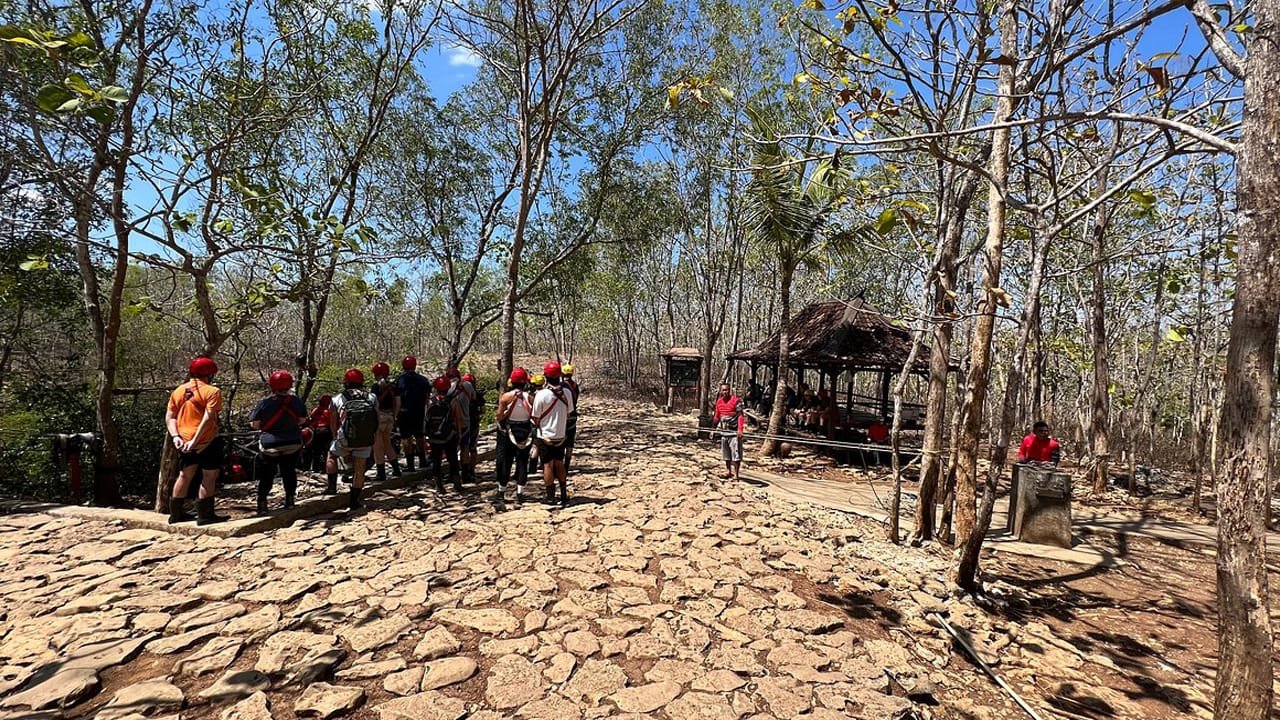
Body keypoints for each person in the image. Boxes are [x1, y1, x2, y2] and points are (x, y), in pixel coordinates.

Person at [165, 356, 229, 525]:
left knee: (185, 474)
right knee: (210, 475)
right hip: (206, 440)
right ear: (210, 374)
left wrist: (176, 437)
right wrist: (195, 441)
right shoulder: (212, 391)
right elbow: (208, 418)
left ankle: (176, 514)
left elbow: (170, 417)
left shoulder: (178, 391)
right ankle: (205, 515)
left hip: (183, 440)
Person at [249, 370, 307, 515]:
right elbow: (302, 420)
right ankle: (290, 500)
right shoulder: (296, 401)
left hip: (270, 444)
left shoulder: (264, 403)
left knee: (267, 474)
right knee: (289, 471)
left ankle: (262, 504)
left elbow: (255, 424)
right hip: (292, 442)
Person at [327, 369, 379, 510]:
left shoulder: (337, 399)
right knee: (359, 469)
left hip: (345, 438)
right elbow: (376, 419)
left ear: (346, 382)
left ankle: (331, 488)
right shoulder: (372, 397)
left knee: (331, 456)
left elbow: (332, 421)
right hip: (365, 439)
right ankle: (354, 501)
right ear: (362, 382)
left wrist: (334, 437)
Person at [532, 361, 575, 506]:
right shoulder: (567, 392)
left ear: (545, 376)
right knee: (559, 463)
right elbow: (570, 412)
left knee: (547, 465)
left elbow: (535, 416)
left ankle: (550, 497)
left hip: (546, 436)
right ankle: (563, 494)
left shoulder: (541, 395)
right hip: (561, 435)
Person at [494, 367, 535, 505]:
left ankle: (501, 492)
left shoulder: (505, 397)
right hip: (525, 430)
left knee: (506, 462)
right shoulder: (530, 398)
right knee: (523, 462)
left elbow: (499, 416)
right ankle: (520, 493)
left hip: (509, 431)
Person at [425, 376, 464, 493]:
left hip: (434, 437)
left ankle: (439, 486)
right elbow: (457, 418)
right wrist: (459, 433)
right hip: (449, 435)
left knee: (436, 461)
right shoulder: (453, 401)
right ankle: (457, 484)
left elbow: (426, 419)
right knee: (452, 459)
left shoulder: (430, 401)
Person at [394, 356, 429, 472]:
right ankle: (423, 460)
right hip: (419, 412)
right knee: (419, 436)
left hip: (404, 413)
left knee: (406, 438)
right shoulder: (423, 380)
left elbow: (397, 400)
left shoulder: (399, 380)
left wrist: (395, 414)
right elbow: (427, 398)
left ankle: (410, 465)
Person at [371, 361, 401, 482]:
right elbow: (398, 403)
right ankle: (396, 469)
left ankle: (381, 473)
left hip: (380, 416)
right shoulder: (393, 386)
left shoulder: (376, 386)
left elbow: (373, 403)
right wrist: (394, 416)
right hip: (390, 417)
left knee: (378, 446)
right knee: (387, 443)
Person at [712, 382, 745, 481]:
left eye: (726, 390)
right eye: (723, 390)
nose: (725, 392)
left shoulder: (736, 401)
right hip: (724, 431)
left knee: (736, 454)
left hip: (734, 432)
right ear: (720, 391)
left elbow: (740, 416)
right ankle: (728, 471)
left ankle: (736, 474)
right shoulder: (719, 402)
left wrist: (740, 429)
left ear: (729, 390)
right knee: (726, 453)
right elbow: (716, 416)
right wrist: (712, 430)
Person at [302, 395, 334, 471]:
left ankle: (315, 468)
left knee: (317, 451)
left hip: (317, 431)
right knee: (326, 450)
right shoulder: (330, 411)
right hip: (327, 431)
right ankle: (324, 468)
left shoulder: (316, 410)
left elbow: (311, 419)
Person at [561, 363, 580, 474]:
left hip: (563, 416)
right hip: (573, 416)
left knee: (560, 441)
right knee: (570, 443)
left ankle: (558, 465)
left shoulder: (561, 386)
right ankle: (566, 467)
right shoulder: (575, 385)